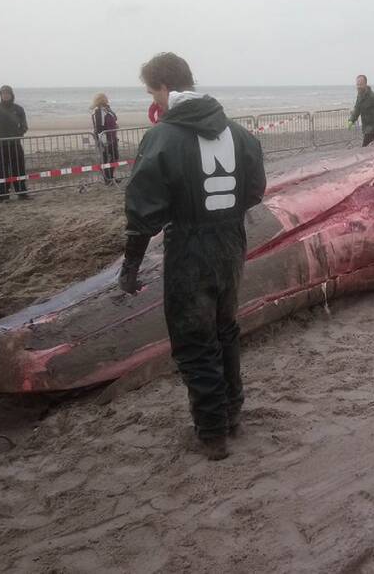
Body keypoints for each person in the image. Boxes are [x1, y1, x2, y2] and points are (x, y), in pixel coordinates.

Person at [119, 52, 266, 461]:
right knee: (225, 329)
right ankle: (232, 414)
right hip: (231, 241)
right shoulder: (239, 133)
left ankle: (212, 433)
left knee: (194, 339)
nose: (156, 102)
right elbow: (255, 189)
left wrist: (131, 265)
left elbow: (143, 208)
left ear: (165, 88)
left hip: (189, 246)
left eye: (153, 93)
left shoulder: (163, 136)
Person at [0, 85, 29, 201]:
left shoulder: (18, 109)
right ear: (0, 95)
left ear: (11, 95)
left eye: (7, 93)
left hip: (15, 144)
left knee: (19, 168)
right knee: (1, 170)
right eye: (3, 93)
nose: (5, 95)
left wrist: (18, 134)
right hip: (1, 145)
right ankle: (3, 194)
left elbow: (24, 126)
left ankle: (22, 192)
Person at [90, 93, 121, 184]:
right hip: (104, 138)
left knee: (115, 156)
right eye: (104, 98)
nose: (106, 99)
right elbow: (99, 127)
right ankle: (108, 178)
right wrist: (103, 141)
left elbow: (113, 119)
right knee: (106, 158)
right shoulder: (97, 111)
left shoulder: (107, 109)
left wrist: (115, 125)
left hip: (112, 136)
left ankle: (110, 176)